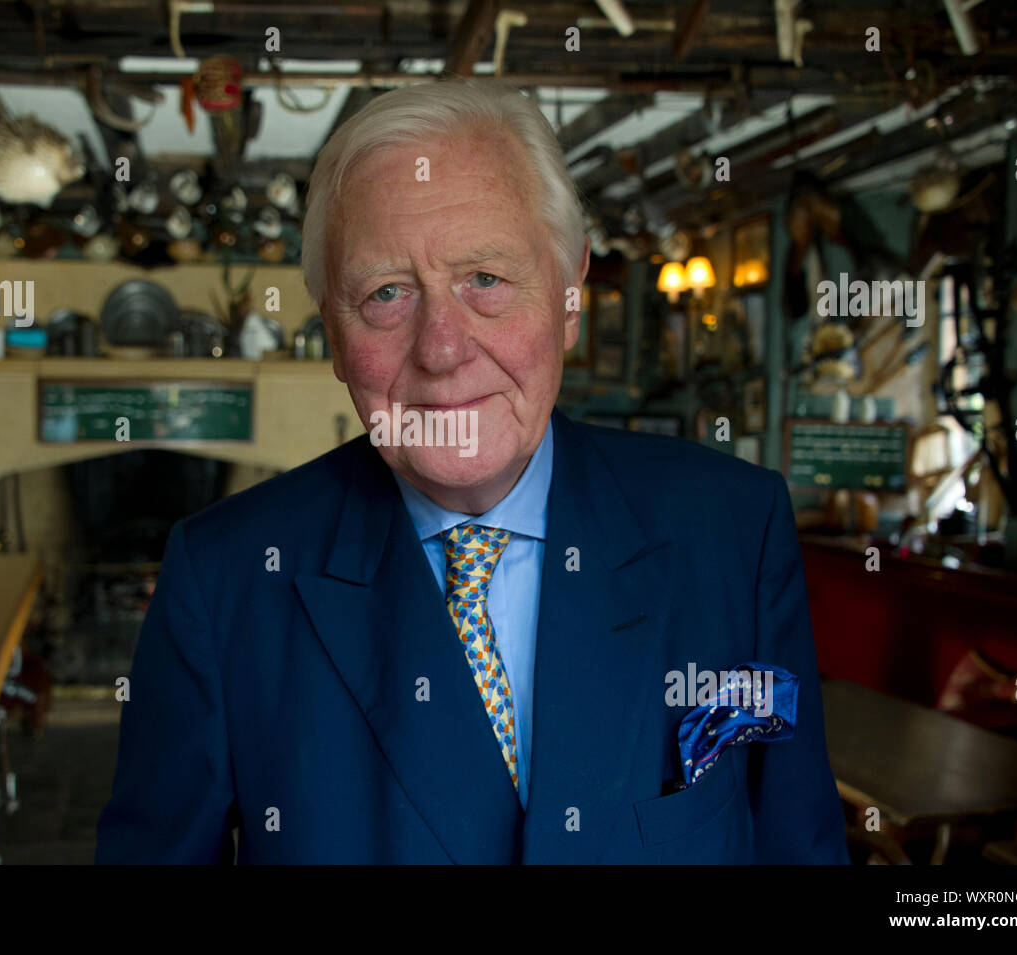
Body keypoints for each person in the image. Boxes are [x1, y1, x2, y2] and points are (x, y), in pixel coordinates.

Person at [96, 79, 850, 864]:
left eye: (485, 280)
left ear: (569, 295)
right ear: (331, 333)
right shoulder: (223, 581)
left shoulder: (732, 530)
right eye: (386, 293)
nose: (442, 349)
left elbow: (800, 844)